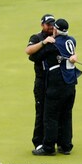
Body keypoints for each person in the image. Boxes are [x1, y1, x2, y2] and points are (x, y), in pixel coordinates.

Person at [34, 18, 80, 156]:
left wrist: (44, 43)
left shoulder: (53, 45)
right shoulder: (71, 40)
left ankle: (48, 147)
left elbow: (34, 56)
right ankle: (66, 146)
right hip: (71, 83)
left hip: (57, 83)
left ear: (55, 30)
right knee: (66, 115)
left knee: (51, 116)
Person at [24, 14, 57, 151]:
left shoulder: (58, 37)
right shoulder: (36, 37)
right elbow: (28, 51)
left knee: (53, 112)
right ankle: (38, 142)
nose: (50, 26)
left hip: (55, 81)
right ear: (42, 25)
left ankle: (53, 141)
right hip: (41, 81)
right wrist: (44, 42)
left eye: (52, 24)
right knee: (41, 111)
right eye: (48, 24)